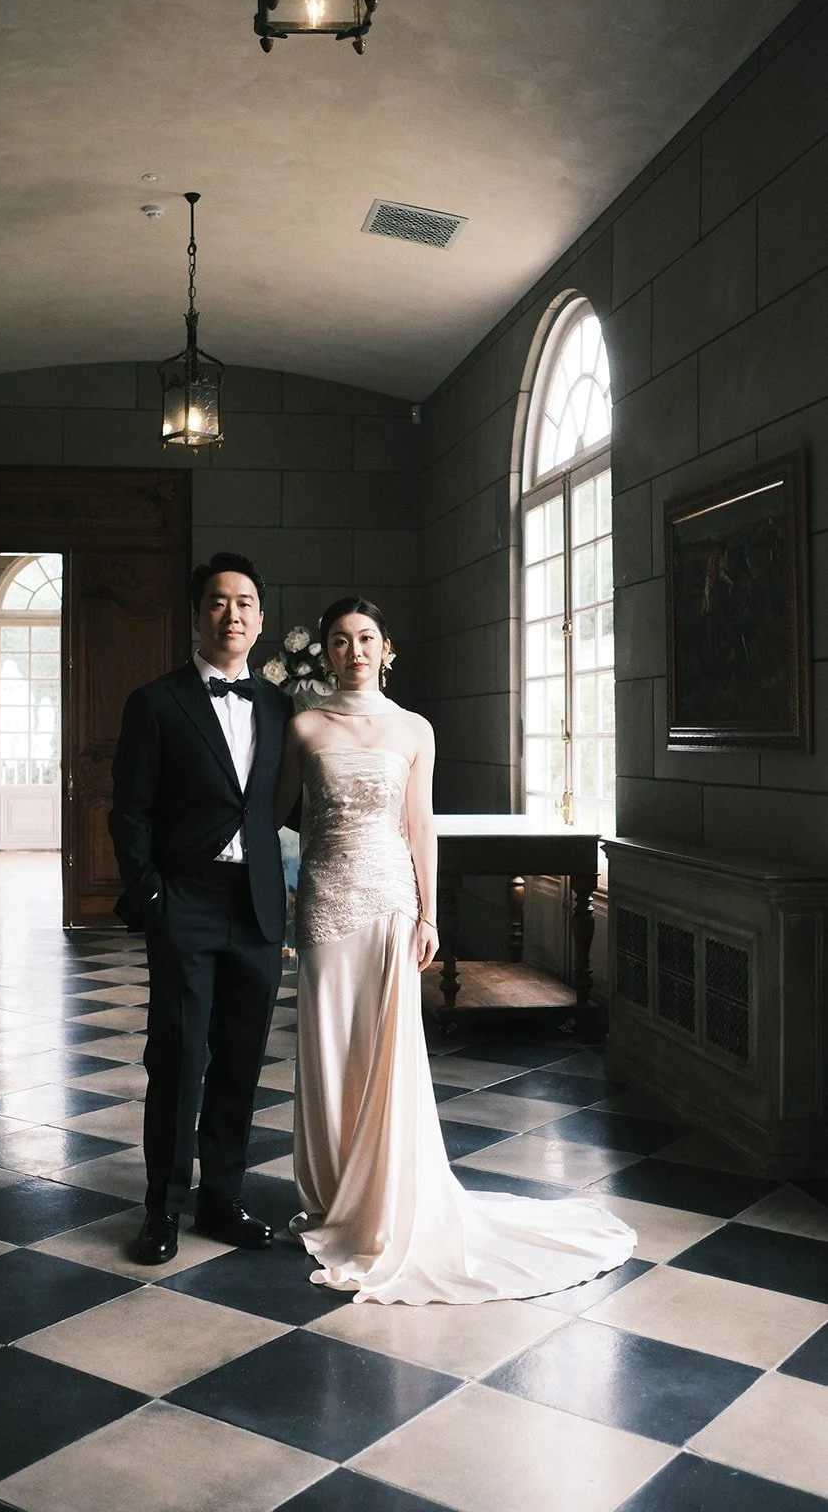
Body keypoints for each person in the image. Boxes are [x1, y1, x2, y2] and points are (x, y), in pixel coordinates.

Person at [274, 596, 636, 1304]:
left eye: (366, 638)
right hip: (324, 898)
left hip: (388, 898)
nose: (354, 650)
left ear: (387, 650)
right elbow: (278, 818)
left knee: (384, 1047)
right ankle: (331, 1197)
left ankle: (383, 1200)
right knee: (325, 1044)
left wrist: (429, 915)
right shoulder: (304, 726)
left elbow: (420, 825)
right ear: (326, 652)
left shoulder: (414, 729)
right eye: (340, 640)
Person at [110, 552, 293, 1266]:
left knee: (240, 1061)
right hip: (184, 901)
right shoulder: (156, 702)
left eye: (244, 603)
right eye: (218, 602)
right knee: (179, 1058)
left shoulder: (278, 707)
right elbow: (129, 812)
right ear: (196, 615)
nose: (232, 615)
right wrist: (152, 896)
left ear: (261, 619)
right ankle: (161, 1207)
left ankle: (222, 1198)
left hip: (256, 906)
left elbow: (287, 806)